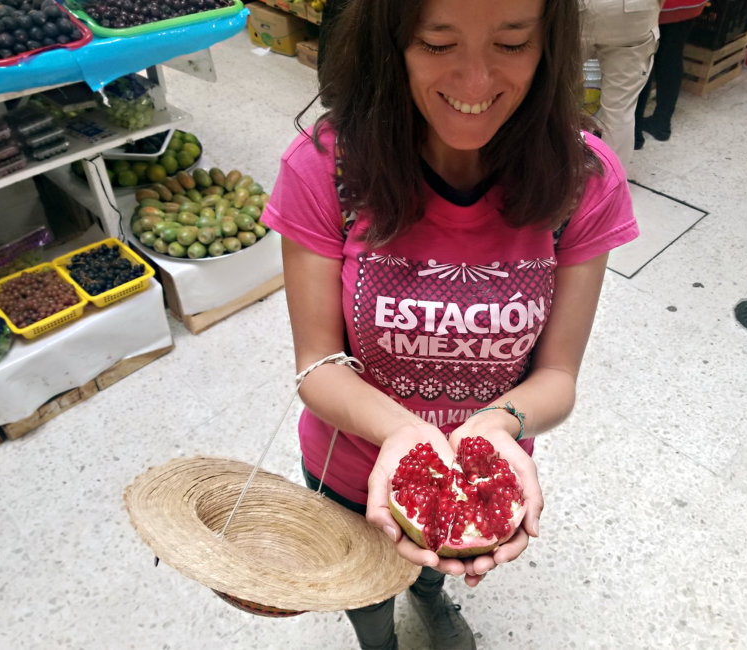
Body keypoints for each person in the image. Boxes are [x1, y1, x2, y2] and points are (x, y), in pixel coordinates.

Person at [262, 1, 639, 648]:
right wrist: (405, 436)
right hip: (349, 465)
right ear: (392, 42)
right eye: (437, 44)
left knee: (433, 573)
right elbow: (317, 365)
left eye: (512, 43)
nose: (474, 83)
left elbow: (557, 377)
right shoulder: (326, 168)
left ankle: (433, 603)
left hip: (487, 467)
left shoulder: (583, 183)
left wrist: (494, 428)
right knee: (365, 585)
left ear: (550, 42)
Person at [579, 0, 661, 167]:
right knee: (620, 110)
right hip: (635, 9)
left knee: (556, 92)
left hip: (578, 8)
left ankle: (551, 170)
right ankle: (611, 186)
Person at [634, 0, 708, 148]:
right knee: (672, 54)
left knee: (644, 58)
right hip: (690, 3)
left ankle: (633, 133)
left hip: (659, 5)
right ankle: (662, 122)